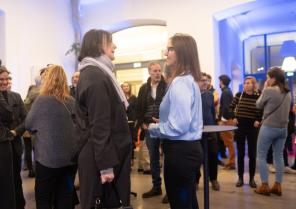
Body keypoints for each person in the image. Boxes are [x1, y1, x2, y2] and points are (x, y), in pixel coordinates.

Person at [76, 29, 132, 209]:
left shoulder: (97, 73)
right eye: (110, 42)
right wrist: (106, 167)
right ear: (99, 45)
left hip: (102, 156)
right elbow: (99, 125)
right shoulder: (95, 76)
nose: (114, 46)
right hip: (100, 160)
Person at [148, 33, 203, 209]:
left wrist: (154, 128)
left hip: (180, 152)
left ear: (182, 52)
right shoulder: (188, 80)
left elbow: (178, 126)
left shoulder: (181, 82)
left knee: (181, 204)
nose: (166, 53)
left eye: (170, 49)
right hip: (186, 151)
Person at [25, 65, 77, 209]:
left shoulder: (42, 101)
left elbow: (29, 124)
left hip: (47, 160)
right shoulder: (72, 101)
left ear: (47, 80)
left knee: (43, 198)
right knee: (65, 196)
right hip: (70, 160)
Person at [255, 67, 291, 196]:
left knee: (261, 155)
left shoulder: (269, 90)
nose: (267, 80)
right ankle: (277, 186)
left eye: (268, 77)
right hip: (283, 129)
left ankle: (264, 186)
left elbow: (258, 105)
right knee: (279, 156)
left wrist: (264, 88)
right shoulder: (288, 92)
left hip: (269, 127)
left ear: (273, 78)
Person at [136, 62, 166, 200]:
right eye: (155, 71)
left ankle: (170, 191)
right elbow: (139, 107)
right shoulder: (143, 88)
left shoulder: (167, 86)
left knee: (168, 159)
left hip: (166, 127)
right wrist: (142, 123)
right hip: (150, 128)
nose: (158, 73)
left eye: (159, 70)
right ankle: (156, 187)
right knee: (153, 158)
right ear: (149, 72)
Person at [0, 66, 26, 209]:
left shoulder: (16, 96)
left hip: (15, 145)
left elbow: (26, 119)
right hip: (1, 146)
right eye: (1, 79)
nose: (4, 82)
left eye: (7, 79)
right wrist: (7, 133)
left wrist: (16, 131)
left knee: (16, 179)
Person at [229, 76, 261, 188]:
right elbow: (231, 107)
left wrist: (258, 120)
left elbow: (262, 110)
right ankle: (240, 178)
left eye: (249, 83)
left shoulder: (259, 95)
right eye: (245, 83)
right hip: (240, 127)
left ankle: (252, 179)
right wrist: (233, 117)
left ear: (254, 85)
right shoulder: (239, 95)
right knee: (240, 153)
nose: (246, 85)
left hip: (253, 128)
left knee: (252, 154)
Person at [197, 72, 220, 191]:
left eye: (206, 80)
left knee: (213, 156)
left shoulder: (210, 95)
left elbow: (212, 113)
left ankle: (213, 179)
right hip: (196, 132)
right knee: (197, 157)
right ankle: (196, 180)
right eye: (202, 80)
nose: (205, 82)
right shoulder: (192, 96)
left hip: (211, 130)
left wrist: (214, 128)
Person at [218, 74, 235, 169]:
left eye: (219, 81)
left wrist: (222, 120)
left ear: (222, 82)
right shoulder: (227, 91)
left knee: (229, 142)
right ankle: (231, 162)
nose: (219, 83)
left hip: (226, 120)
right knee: (228, 142)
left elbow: (226, 107)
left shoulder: (225, 92)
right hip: (227, 119)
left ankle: (232, 162)